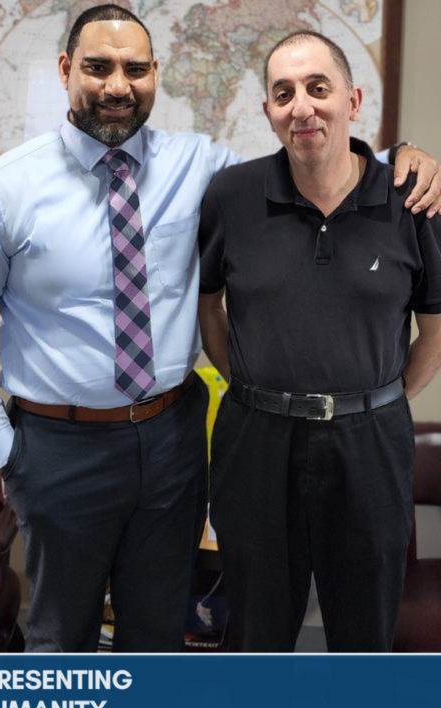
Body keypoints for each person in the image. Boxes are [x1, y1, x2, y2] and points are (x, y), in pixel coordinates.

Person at [0, 5, 441, 653]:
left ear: (155, 77)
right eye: (98, 67)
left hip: (173, 443)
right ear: (66, 71)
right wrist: (9, 454)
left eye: (135, 69)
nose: (118, 84)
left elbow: (314, 152)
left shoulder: (201, 168)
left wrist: (404, 156)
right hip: (60, 447)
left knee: (158, 633)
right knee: (61, 640)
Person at [198, 31, 441, 652]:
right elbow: (210, 310)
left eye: (317, 88)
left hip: (370, 445)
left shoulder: (412, 199)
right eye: (284, 94)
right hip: (256, 441)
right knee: (255, 633)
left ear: (352, 100)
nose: (301, 106)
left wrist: (377, 397)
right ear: (269, 113)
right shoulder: (231, 197)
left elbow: (434, 330)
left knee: (364, 636)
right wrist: (259, 387)